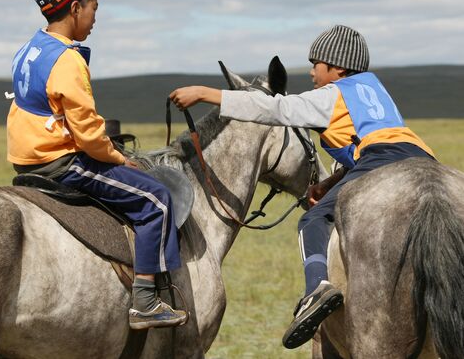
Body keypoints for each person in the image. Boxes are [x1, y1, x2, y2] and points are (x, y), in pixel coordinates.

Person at [169, 25, 434, 348]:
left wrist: (207, 94)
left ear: (337, 69)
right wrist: (330, 182)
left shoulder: (331, 95)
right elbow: (368, 141)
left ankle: (317, 289)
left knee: (314, 219)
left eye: (316, 65)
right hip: (421, 155)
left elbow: (276, 109)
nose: (311, 72)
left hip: (378, 158)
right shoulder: (375, 88)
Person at [7, 0, 186, 330]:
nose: (93, 18)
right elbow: (88, 135)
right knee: (156, 201)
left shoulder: (30, 48)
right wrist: (120, 157)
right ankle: (146, 301)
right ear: (75, 8)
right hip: (61, 162)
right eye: (94, 8)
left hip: (27, 159)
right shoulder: (68, 60)